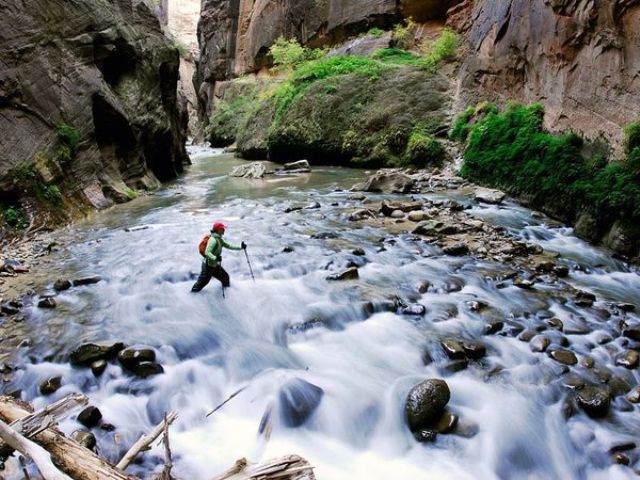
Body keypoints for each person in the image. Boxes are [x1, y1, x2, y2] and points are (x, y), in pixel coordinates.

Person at [191, 222, 246, 292]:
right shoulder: (213, 240)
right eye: (222, 228)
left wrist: (241, 247)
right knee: (202, 283)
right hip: (208, 266)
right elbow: (207, 252)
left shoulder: (219, 239)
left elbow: (228, 246)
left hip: (214, 265)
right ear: (218, 230)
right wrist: (215, 258)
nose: (224, 230)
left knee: (225, 277)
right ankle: (192, 295)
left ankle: (228, 295)